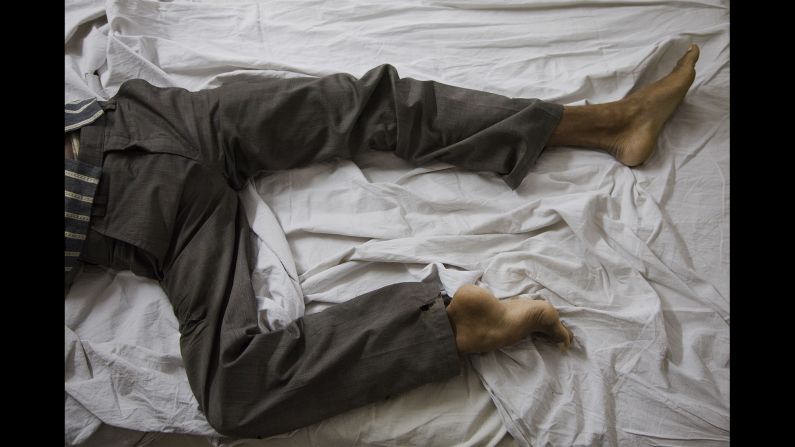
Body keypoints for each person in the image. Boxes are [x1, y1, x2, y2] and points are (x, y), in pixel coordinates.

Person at [64, 44, 700, 438]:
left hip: (147, 136)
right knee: (368, 103)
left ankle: (612, 123)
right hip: (148, 176)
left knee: (369, 102)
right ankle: (451, 324)